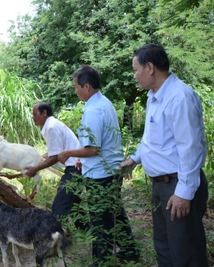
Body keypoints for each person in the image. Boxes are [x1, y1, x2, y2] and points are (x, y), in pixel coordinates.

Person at [120, 44, 208, 267]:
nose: (134, 75)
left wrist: (184, 194)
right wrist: (135, 158)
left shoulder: (180, 97)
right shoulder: (154, 96)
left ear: (149, 68)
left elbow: (191, 148)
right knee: (165, 247)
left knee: (185, 252)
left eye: (136, 69)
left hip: (177, 185)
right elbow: (152, 139)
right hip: (161, 186)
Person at [57, 65, 138, 264]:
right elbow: (97, 145)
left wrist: (68, 152)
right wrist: (80, 158)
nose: (75, 90)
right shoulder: (104, 102)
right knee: (115, 213)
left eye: (76, 86)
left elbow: (93, 149)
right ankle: (129, 251)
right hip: (111, 170)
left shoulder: (93, 110)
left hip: (101, 175)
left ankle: (101, 261)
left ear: (86, 87)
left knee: (100, 221)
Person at [25, 101, 86, 229]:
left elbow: (54, 157)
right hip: (76, 166)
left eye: (34, 114)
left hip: (75, 167)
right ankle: (86, 230)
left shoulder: (52, 127)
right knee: (73, 202)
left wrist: (35, 169)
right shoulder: (51, 126)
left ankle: (54, 235)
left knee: (59, 205)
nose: (33, 117)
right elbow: (54, 152)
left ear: (44, 113)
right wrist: (39, 158)